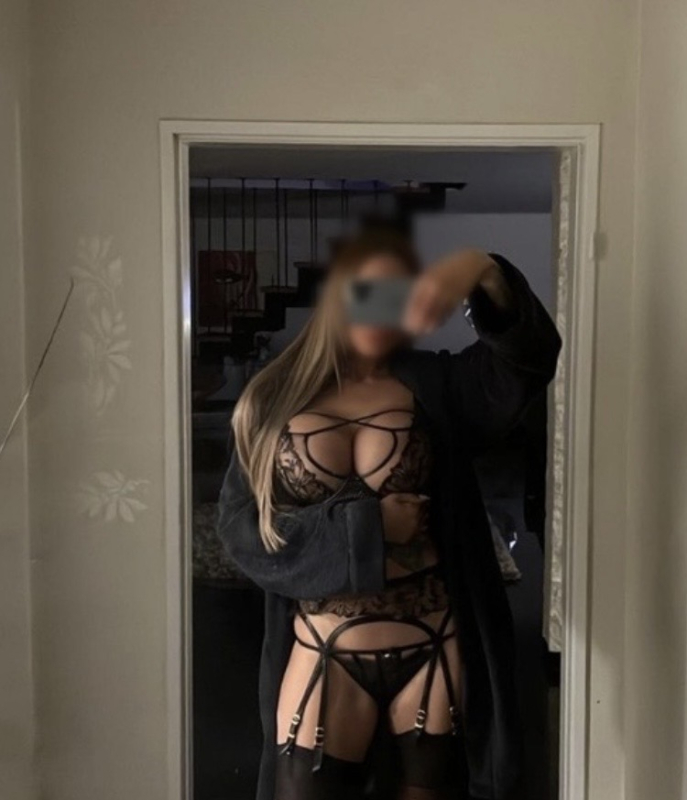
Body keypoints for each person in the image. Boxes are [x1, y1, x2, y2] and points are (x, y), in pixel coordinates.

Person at [218, 227, 561, 800]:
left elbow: (528, 360)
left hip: (434, 643)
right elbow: (243, 533)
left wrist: (482, 269)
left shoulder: (438, 386)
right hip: (324, 650)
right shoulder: (270, 400)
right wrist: (370, 529)